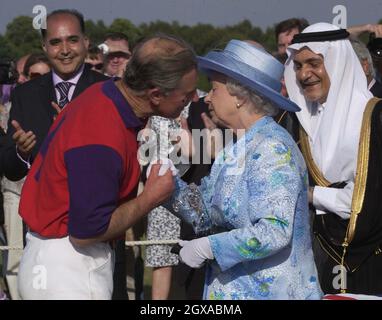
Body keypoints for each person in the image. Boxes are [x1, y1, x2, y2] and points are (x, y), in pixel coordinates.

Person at [17, 33, 199, 300]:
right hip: (67, 274)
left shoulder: (106, 95)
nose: (192, 99)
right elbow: (87, 230)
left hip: (56, 263)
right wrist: (150, 198)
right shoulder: (101, 132)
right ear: (156, 94)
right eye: (186, 94)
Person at [163, 39, 322, 300]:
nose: (208, 98)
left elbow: (275, 230)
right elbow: (205, 213)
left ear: (239, 96)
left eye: (214, 89)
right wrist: (166, 181)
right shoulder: (236, 146)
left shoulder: (273, 147)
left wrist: (209, 247)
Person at [284, 22, 382, 294]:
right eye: (298, 65)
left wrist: (312, 195)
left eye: (314, 63)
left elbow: (369, 201)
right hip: (314, 260)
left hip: (371, 261)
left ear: (338, 62)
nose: (305, 74)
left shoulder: (376, 118)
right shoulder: (297, 120)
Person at [1, 9, 108, 183]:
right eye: (56, 42)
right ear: (44, 46)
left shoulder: (110, 90)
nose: (65, 50)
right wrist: (21, 152)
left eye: (72, 40)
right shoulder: (25, 94)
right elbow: (11, 171)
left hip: (97, 201)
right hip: (43, 205)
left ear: (86, 42)